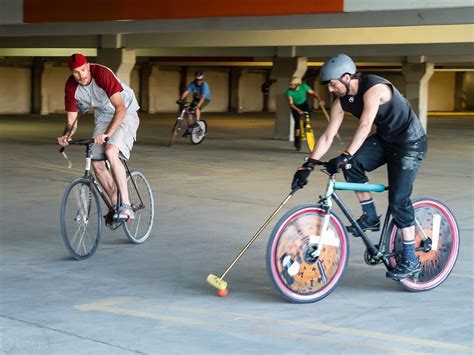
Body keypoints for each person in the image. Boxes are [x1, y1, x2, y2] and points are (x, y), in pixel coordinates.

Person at [291, 54, 427, 280]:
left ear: (346, 78)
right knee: (351, 164)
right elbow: (327, 136)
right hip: (386, 139)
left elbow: (364, 126)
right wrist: (308, 165)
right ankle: (370, 216)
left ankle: (411, 259)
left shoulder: (374, 88)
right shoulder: (341, 101)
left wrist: (345, 154)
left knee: (398, 201)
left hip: (410, 143)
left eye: (333, 85)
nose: (331, 90)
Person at [57, 53, 140, 221]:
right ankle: (115, 202)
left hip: (126, 112)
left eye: (83, 70)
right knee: (96, 161)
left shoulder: (101, 74)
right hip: (103, 116)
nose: (81, 76)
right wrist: (67, 135)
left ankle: (126, 205)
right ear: (71, 72)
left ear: (88, 65)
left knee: (110, 151)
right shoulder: (71, 86)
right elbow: (72, 120)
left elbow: (120, 108)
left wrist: (108, 135)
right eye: (76, 72)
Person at [287, 77, 325, 150]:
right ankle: (297, 142)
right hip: (295, 107)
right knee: (297, 125)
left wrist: (319, 99)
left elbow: (313, 93)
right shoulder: (289, 91)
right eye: (290, 85)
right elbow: (291, 104)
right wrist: (298, 110)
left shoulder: (303, 87)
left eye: (292, 85)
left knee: (309, 112)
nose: (290, 86)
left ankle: (306, 123)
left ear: (297, 84)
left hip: (304, 104)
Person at [178, 71, 211, 136]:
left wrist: (198, 105)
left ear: (202, 79)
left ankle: (197, 122)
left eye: (200, 80)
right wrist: (180, 99)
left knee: (196, 108)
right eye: (197, 80)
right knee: (189, 113)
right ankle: (189, 129)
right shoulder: (192, 84)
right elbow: (187, 91)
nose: (199, 81)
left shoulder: (204, 85)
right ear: (195, 79)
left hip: (205, 99)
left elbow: (203, 97)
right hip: (196, 98)